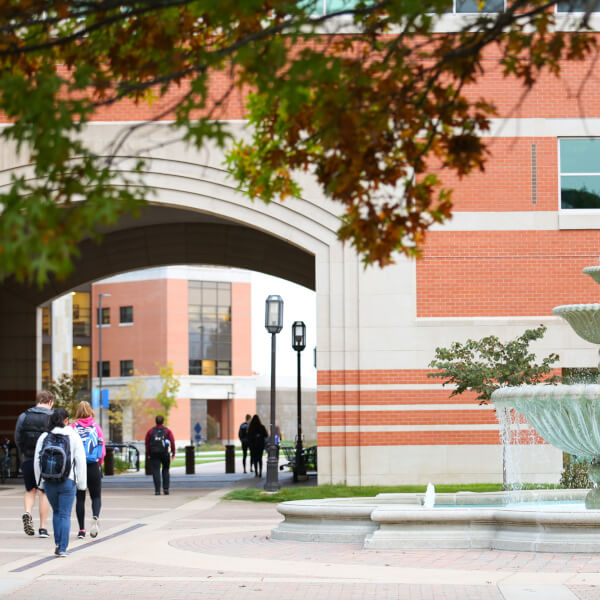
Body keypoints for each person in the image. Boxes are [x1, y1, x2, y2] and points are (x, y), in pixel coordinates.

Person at [34, 408, 87, 557]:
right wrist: (82, 484)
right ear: (66, 420)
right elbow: (80, 461)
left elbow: (37, 460)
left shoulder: (44, 436)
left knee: (56, 512)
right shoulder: (73, 436)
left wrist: (40, 482)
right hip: (68, 481)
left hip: (49, 481)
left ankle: (58, 544)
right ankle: (62, 548)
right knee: (65, 514)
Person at [14, 390, 54, 538]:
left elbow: (17, 438)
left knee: (30, 490)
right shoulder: (51, 417)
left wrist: (24, 452)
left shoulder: (23, 416)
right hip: (46, 460)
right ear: (50, 401)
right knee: (44, 492)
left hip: (28, 458)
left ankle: (27, 512)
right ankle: (43, 528)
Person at [71, 401, 105, 540]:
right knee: (96, 496)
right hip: (93, 466)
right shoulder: (96, 428)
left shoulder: (72, 427)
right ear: (90, 411)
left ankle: (81, 530)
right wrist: (99, 464)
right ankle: (95, 515)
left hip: (79, 466)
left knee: (80, 498)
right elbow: (102, 451)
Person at [145, 415, 175, 495]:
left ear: (155, 421)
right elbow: (172, 442)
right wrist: (173, 452)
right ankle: (166, 489)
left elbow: (147, 443)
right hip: (165, 453)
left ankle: (157, 490)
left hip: (154, 453)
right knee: (165, 470)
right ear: (163, 421)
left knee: (156, 471)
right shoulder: (168, 431)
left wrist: (148, 453)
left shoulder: (150, 431)